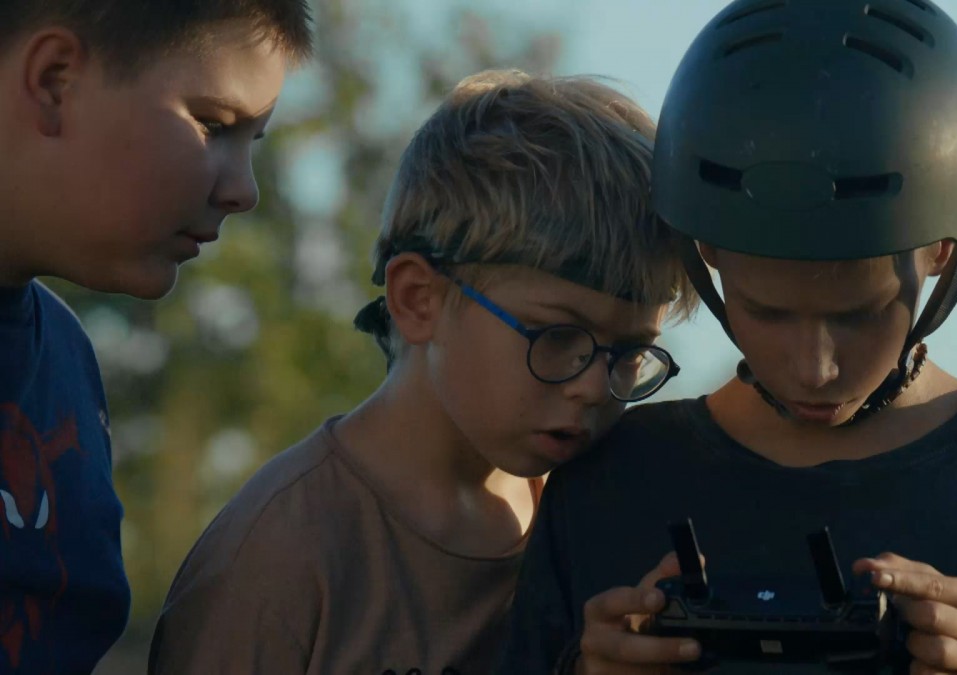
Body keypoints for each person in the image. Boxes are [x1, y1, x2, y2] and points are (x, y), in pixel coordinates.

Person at [497, 0, 957, 673]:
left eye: (859, 314)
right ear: (706, 250)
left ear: (941, 252)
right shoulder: (610, 484)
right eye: (768, 312)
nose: (815, 368)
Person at [148, 70, 697, 674]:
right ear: (418, 299)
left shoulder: (597, 524)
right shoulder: (280, 555)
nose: (594, 387)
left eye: (630, 353)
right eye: (559, 337)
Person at [0, 1, 312, 671]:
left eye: (254, 142)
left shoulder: (68, 360)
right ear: (54, 81)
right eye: (213, 124)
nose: (245, 191)